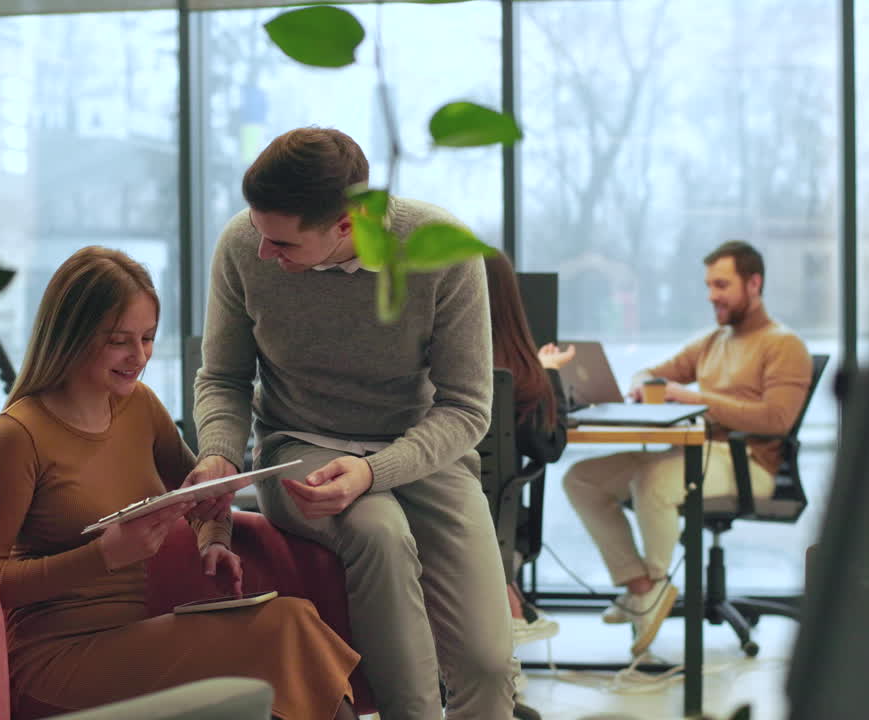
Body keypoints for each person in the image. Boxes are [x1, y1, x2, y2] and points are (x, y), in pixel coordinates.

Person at [187, 127, 514, 719]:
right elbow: (224, 378)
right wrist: (220, 455)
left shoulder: (444, 251)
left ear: (345, 226)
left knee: (490, 666)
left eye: (282, 243)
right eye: (259, 232)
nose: (263, 252)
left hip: (421, 452)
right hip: (300, 445)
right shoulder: (243, 242)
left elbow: (467, 407)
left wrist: (374, 470)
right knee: (379, 533)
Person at [0, 246, 360, 720]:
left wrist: (214, 540)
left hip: (133, 637)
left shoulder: (139, 407)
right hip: (51, 661)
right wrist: (104, 556)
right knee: (281, 629)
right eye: (119, 340)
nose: (139, 356)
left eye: (148, 338)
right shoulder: (15, 438)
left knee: (290, 625)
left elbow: (199, 497)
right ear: (72, 336)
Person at [562, 240, 812, 657]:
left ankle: (658, 585)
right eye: (708, 285)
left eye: (721, 284)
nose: (712, 294)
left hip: (749, 464)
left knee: (654, 480)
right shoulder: (714, 341)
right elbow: (653, 372)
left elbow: (777, 419)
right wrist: (647, 384)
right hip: (697, 452)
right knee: (582, 478)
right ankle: (640, 586)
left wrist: (693, 398)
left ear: (754, 284)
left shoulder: (783, 345)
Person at [483, 252, 576, 652]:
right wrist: (549, 373)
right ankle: (509, 609)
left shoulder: (426, 365)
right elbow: (549, 446)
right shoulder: (520, 377)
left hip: (425, 524)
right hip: (498, 533)